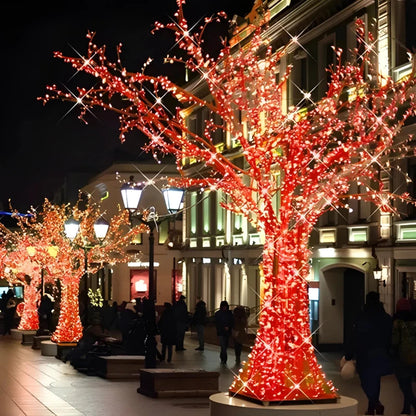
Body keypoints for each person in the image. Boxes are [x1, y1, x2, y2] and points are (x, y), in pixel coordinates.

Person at [344, 291, 393, 415]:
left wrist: (349, 354)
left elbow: (354, 336)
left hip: (364, 354)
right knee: (375, 381)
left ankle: (375, 403)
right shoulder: (386, 318)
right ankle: (372, 407)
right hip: (381, 353)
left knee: (365, 381)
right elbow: (390, 337)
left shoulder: (362, 317)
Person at [391, 298, 416, 416]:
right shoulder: (414, 322)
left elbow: (395, 341)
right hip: (415, 358)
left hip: (402, 358)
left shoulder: (398, 323)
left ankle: (413, 405)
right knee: (409, 384)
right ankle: (406, 408)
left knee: (404, 385)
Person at [214, 300, 233, 365]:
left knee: (225, 345)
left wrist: (228, 327)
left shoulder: (228, 313)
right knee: (223, 345)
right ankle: (224, 358)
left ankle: (222, 356)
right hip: (221, 332)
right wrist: (224, 327)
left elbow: (231, 321)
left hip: (226, 332)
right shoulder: (219, 314)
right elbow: (217, 323)